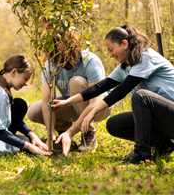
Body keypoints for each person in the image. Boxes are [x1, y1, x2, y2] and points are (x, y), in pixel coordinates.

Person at [52, 25, 174, 164]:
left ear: (124, 43)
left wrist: (93, 111)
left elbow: (121, 91)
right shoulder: (126, 65)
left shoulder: (146, 57)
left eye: (111, 49)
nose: (110, 54)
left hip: (171, 113)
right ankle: (164, 145)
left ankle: (142, 153)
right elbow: (100, 87)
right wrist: (68, 101)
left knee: (141, 97)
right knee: (114, 124)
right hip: (161, 118)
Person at [27, 31, 107, 151]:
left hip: (99, 106)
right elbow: (47, 100)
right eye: (55, 47)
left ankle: (87, 132)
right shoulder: (51, 64)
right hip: (72, 104)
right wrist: (50, 136)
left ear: (73, 45)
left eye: (63, 44)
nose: (59, 50)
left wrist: (71, 132)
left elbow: (95, 100)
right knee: (33, 111)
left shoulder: (89, 60)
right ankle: (62, 131)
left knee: (75, 82)